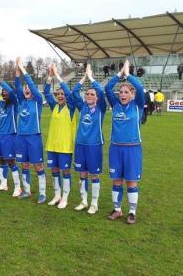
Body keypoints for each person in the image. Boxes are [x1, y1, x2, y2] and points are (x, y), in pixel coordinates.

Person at [105, 60, 145, 224]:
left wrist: (128, 75)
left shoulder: (137, 105)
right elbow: (108, 88)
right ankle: (117, 209)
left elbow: (141, 88)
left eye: (126, 92)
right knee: (116, 180)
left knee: (131, 181)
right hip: (115, 148)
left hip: (132, 148)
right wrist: (118, 75)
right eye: (120, 92)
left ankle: (132, 212)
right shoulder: (115, 105)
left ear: (132, 94)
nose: (122, 94)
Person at [72, 64, 107, 215]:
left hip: (94, 145)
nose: (89, 96)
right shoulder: (83, 106)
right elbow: (74, 92)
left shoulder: (101, 109)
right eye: (87, 94)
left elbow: (100, 90)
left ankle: (94, 203)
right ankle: (84, 201)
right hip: (80, 144)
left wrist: (91, 77)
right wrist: (84, 78)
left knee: (94, 174)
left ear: (97, 98)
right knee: (82, 174)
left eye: (92, 95)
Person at [43, 64, 77, 209]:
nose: (61, 96)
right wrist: (49, 76)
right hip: (52, 145)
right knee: (54, 171)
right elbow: (46, 92)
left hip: (64, 147)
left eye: (63, 94)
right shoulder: (54, 106)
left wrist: (57, 75)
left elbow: (70, 94)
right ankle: (56, 195)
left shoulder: (70, 108)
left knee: (65, 171)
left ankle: (65, 197)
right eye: (59, 94)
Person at [15, 57, 47, 204]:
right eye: (25, 88)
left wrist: (23, 69)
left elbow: (32, 87)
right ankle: (26, 191)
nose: (27, 89)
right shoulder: (22, 102)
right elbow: (16, 87)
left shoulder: (38, 101)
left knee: (38, 165)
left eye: (29, 88)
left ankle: (42, 193)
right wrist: (17, 72)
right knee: (24, 164)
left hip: (34, 137)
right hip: (21, 137)